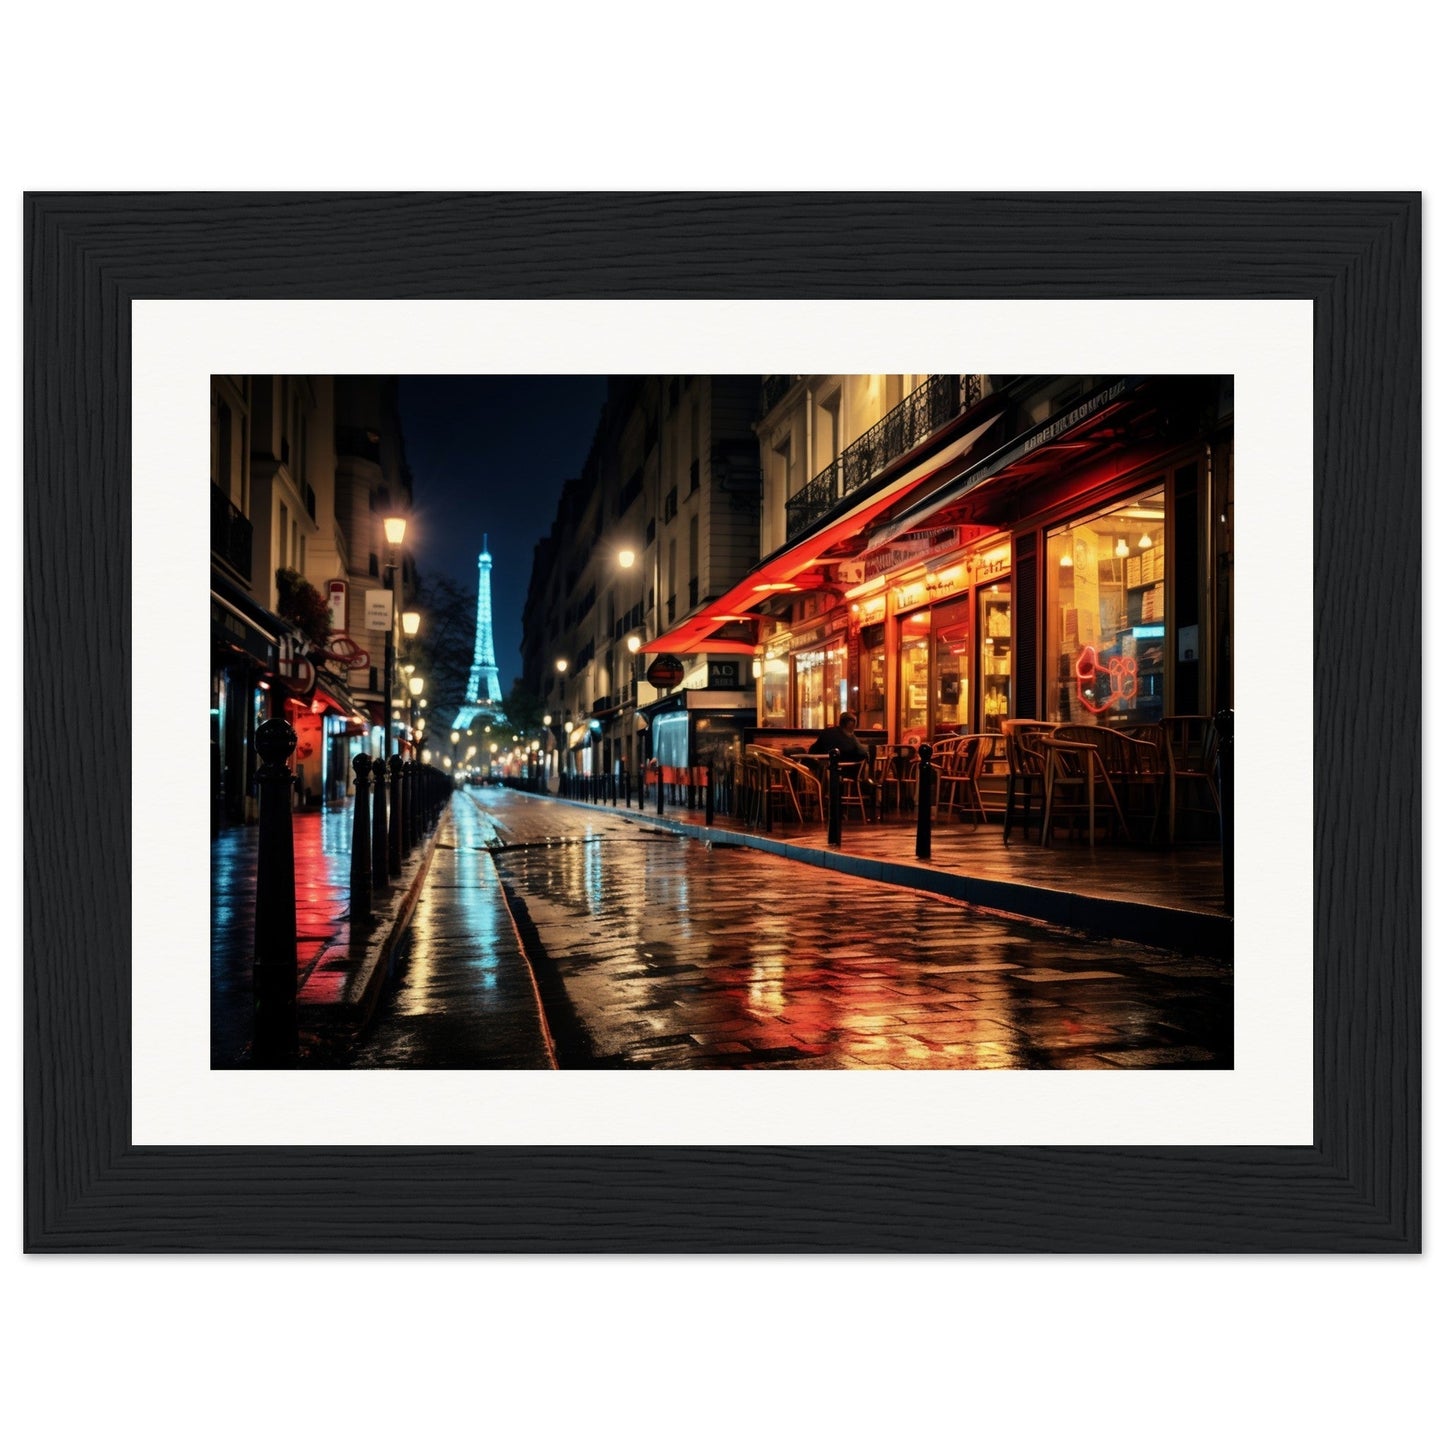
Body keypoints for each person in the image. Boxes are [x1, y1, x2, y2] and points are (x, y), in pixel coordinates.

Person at [808, 712, 874, 793]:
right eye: (855, 724)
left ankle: (821, 797)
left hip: (825, 769)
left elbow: (812, 750)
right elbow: (861, 752)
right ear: (850, 723)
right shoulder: (850, 737)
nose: (855, 727)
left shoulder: (827, 732)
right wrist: (869, 749)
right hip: (844, 770)